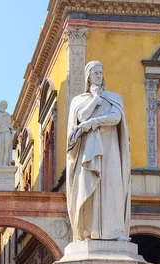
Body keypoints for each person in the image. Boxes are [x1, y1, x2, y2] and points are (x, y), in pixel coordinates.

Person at [67, 61, 131, 241]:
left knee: (112, 187)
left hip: (110, 149)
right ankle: (88, 231)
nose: (99, 75)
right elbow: (81, 117)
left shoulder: (113, 97)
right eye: (95, 72)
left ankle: (115, 231)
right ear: (88, 76)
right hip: (88, 150)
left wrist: (93, 123)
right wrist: (95, 99)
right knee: (89, 187)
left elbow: (116, 117)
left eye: (101, 72)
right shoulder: (79, 101)